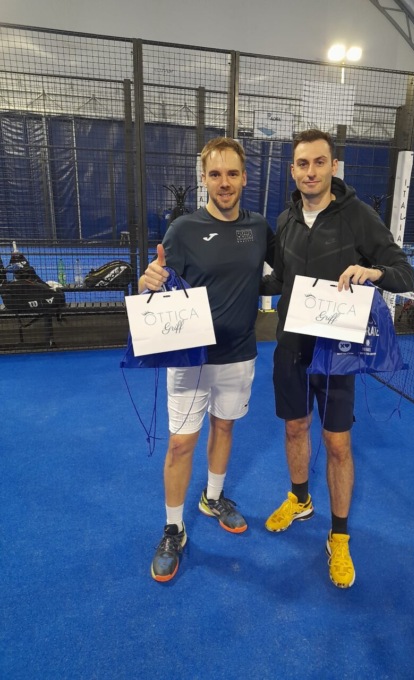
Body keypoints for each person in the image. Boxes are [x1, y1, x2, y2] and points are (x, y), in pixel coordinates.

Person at [260, 129, 414, 588]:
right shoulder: (287, 219)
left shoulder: (358, 216)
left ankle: (340, 536)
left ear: (333, 166)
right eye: (302, 164)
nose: (310, 172)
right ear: (293, 170)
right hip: (290, 347)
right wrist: (230, 280)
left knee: (337, 444)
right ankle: (300, 499)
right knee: (294, 427)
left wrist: (374, 271)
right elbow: (281, 280)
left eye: (319, 162)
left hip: (337, 354)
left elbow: (404, 273)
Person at [140, 137, 274, 582]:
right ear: (204, 180)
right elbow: (157, 283)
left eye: (232, 173)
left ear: (244, 177)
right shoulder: (183, 230)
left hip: (239, 355)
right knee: (180, 444)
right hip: (190, 358)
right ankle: (173, 529)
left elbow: (285, 270)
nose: (224, 182)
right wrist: (147, 280)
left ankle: (212, 497)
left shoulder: (259, 228)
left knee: (225, 426)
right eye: (215, 174)